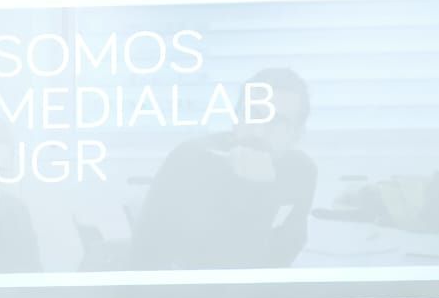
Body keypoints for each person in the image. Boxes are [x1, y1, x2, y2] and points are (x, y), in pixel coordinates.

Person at [130, 67, 317, 271]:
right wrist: (256, 190)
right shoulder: (192, 160)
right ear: (235, 117)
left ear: (297, 134)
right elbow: (215, 265)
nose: (259, 131)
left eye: (278, 122)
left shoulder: (301, 171)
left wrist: (262, 191)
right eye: (252, 114)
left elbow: (281, 255)